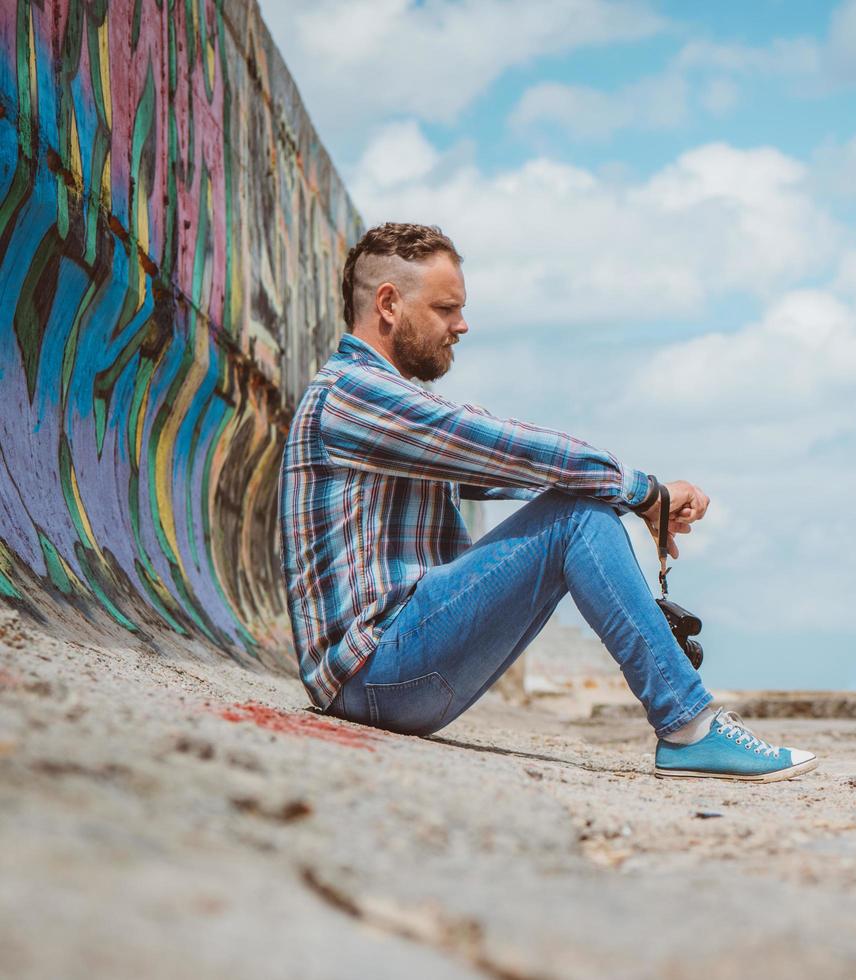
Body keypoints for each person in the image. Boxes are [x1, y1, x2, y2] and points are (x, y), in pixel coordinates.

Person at [279, 222, 817, 781]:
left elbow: (502, 466)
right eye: (446, 308)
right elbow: (512, 448)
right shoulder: (354, 394)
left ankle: (689, 724)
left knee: (582, 500)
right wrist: (645, 491)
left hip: (398, 675)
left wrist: (629, 497)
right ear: (388, 304)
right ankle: (689, 727)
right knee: (578, 516)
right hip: (375, 673)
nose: (462, 325)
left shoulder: (388, 402)